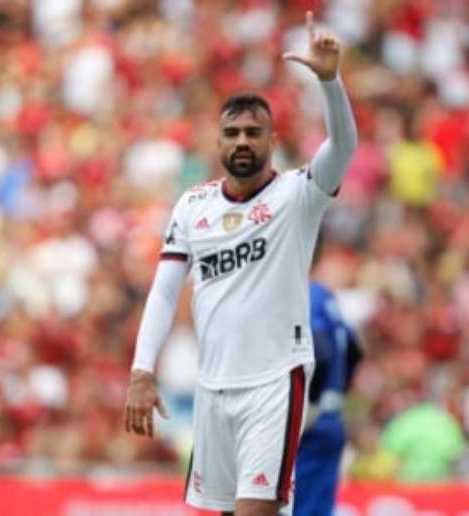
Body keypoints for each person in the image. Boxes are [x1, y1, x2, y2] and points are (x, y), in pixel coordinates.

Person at [124, 11, 357, 516]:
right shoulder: (193, 206)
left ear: (272, 141)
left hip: (275, 380)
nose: (243, 142)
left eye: (254, 133)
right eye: (233, 134)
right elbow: (165, 292)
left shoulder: (298, 194)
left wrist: (330, 81)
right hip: (214, 387)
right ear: (219, 143)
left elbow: (343, 148)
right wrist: (143, 371)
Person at [293, 275, 362, 516]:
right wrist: (338, 393)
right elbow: (355, 348)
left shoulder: (304, 293)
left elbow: (319, 350)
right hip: (332, 420)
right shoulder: (325, 295)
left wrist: (310, 405)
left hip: (310, 426)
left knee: (297, 508)